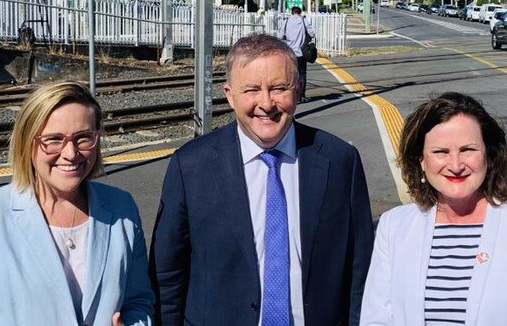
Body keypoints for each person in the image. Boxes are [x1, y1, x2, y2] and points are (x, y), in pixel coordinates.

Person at [149, 33, 374, 326]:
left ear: (299, 89)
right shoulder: (191, 165)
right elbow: (168, 274)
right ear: (229, 95)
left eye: (279, 88)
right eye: (252, 89)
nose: (266, 103)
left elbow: (361, 270)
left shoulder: (340, 161)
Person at [0, 82, 154, 326]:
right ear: (27, 142)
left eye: (83, 138)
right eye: (53, 140)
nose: (70, 153)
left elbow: (137, 303)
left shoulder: (121, 207)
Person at [361, 92, 507, 325]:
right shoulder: (393, 227)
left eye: (468, 149)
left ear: (488, 155)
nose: (456, 165)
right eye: (440, 152)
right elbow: (376, 318)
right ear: (421, 160)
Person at [278, 6, 315, 103]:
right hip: (301, 52)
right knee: (302, 74)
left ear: (292, 12)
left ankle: (291, 95)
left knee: (290, 74)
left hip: (289, 53)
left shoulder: (286, 21)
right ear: (300, 12)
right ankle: (301, 95)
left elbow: (280, 36)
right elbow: (312, 34)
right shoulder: (303, 21)